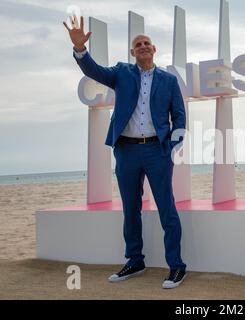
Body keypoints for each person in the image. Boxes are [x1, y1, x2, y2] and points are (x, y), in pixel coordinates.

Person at [63, 15, 187, 289]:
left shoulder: (168, 80)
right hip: (127, 152)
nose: (143, 46)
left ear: (154, 50)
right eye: (138, 44)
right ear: (133, 52)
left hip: (157, 151)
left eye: (147, 43)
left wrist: (171, 148)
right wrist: (80, 50)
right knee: (131, 210)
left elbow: (179, 117)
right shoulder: (121, 73)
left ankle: (176, 266)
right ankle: (135, 260)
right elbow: (93, 71)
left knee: (167, 210)